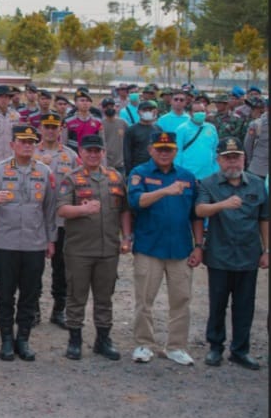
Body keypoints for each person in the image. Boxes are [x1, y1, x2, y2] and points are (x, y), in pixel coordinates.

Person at [0, 125, 58, 362]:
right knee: (5, 294)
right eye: (22, 141)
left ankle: (23, 338)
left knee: (29, 294)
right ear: (12, 144)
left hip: (34, 244)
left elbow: (50, 209)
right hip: (5, 243)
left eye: (31, 142)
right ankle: (6, 339)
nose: (27, 145)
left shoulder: (45, 172)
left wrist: (51, 240)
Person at [127, 130, 202, 365]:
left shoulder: (187, 177)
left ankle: (176, 346)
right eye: (159, 149)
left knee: (181, 299)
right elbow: (136, 202)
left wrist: (198, 245)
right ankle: (144, 344)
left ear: (175, 151)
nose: (163, 153)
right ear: (151, 150)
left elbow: (196, 216)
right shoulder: (140, 173)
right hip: (149, 246)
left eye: (168, 149)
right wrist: (165, 191)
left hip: (180, 248)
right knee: (144, 299)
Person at [194, 137, 269, 370]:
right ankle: (215, 347)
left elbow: (264, 219)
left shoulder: (257, 184)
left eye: (236, 158)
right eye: (227, 159)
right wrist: (222, 205)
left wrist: (267, 250)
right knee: (217, 304)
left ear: (244, 159)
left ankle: (240, 350)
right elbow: (199, 210)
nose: (232, 163)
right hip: (219, 253)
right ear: (218, 161)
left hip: (248, 254)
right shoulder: (208, 183)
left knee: (245, 305)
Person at [56, 134, 132, 361]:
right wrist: (83, 210)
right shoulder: (71, 178)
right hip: (79, 250)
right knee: (76, 296)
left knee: (104, 297)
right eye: (88, 150)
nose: (93, 154)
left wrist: (127, 236)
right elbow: (62, 210)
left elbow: (125, 210)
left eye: (97, 151)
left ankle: (103, 340)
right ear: (81, 153)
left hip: (108, 249)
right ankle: (75, 340)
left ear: (103, 153)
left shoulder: (115, 178)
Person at [33, 110, 81, 328]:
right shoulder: (28, 151)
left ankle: (59, 309)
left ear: (61, 129)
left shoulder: (70, 156)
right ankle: (32, 308)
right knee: (32, 267)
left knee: (61, 267)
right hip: (35, 219)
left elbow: (79, 185)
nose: (51, 131)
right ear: (40, 129)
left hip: (62, 220)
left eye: (55, 127)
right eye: (47, 127)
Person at [175, 99, 219, 181]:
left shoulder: (211, 128)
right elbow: (177, 153)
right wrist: (179, 174)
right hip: (188, 175)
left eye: (202, 111)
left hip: (208, 176)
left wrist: (215, 170)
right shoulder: (182, 129)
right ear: (190, 113)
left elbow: (215, 150)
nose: (200, 113)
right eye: (196, 111)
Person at [124, 99, 159, 173]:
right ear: (138, 112)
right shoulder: (131, 130)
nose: (148, 112)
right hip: (137, 169)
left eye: (150, 110)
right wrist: (129, 172)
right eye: (145, 110)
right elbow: (127, 153)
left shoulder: (158, 129)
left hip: (155, 168)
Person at [100, 97, 127, 174]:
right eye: (106, 107)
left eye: (111, 106)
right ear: (102, 109)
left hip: (121, 164)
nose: (109, 108)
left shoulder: (123, 123)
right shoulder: (100, 124)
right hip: (105, 164)